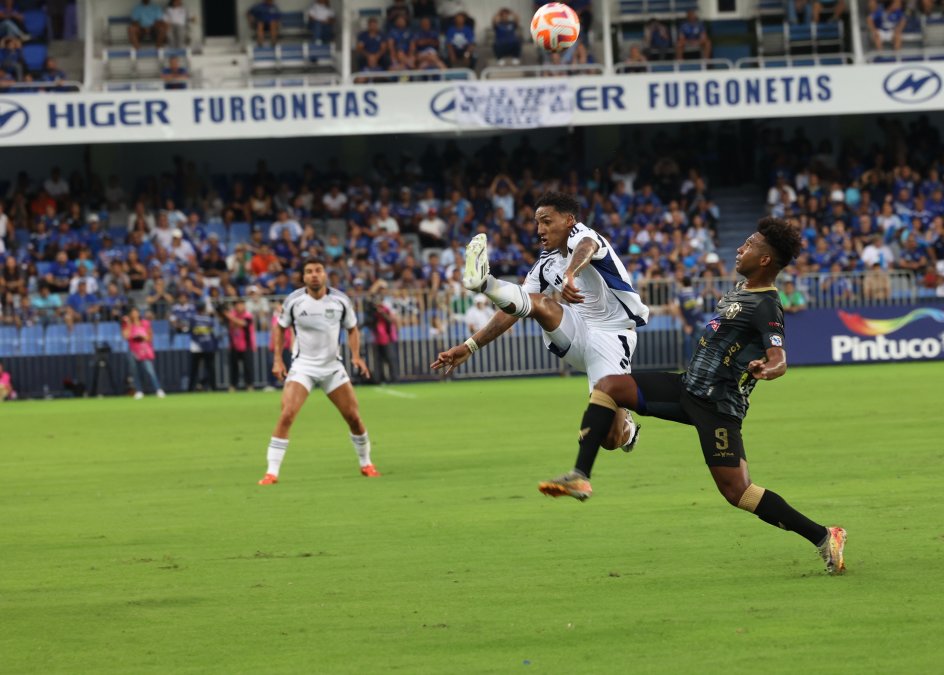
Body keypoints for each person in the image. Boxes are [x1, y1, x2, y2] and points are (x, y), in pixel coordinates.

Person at [536, 218, 847, 575]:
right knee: (608, 386)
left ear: (765, 260)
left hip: (718, 408)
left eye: (748, 245)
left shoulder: (766, 305)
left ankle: (825, 535)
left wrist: (768, 367)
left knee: (738, 493)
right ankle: (579, 475)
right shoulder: (738, 291)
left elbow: (779, 357)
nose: (739, 249)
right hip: (687, 388)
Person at [431, 191, 645, 453]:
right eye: (537, 223)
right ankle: (484, 282)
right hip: (577, 331)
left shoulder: (585, 235)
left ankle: (627, 425)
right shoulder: (546, 262)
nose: (539, 230)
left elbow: (587, 247)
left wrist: (570, 273)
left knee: (609, 440)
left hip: (612, 335)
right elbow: (516, 307)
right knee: (537, 303)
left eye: (546, 221)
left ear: (569, 221)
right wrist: (469, 346)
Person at [259, 258, 378, 485]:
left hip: (332, 368)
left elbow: (352, 328)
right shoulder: (294, 301)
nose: (314, 275)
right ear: (303, 277)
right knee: (287, 414)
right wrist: (277, 360)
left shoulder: (340, 300)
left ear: (325, 275)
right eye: (309, 271)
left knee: (353, 417)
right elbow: (280, 328)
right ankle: (271, 472)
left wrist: (355, 355)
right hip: (303, 367)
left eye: (318, 270)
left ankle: (366, 463)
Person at [121, 307, 165, 399]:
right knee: (134, 371)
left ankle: (158, 389)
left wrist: (142, 337)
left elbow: (150, 337)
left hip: (144, 349)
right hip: (132, 349)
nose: (134, 314)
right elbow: (126, 336)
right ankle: (139, 390)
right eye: (132, 313)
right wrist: (129, 324)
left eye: (135, 312)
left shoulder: (145, 323)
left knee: (149, 370)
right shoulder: (127, 324)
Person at [225, 299, 257, 391]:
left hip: (246, 345)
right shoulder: (232, 314)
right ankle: (233, 385)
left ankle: (249, 385)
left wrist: (229, 317)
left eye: (241, 305)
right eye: (237, 305)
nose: (239, 307)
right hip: (234, 345)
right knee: (233, 367)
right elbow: (229, 324)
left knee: (248, 367)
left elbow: (244, 324)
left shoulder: (248, 316)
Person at [187, 305, 219, 392]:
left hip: (196, 346)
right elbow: (214, 333)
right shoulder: (209, 319)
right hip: (206, 345)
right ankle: (214, 388)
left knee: (194, 369)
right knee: (209, 368)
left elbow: (190, 330)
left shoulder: (193, 318)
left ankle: (191, 389)